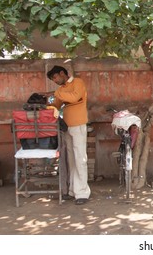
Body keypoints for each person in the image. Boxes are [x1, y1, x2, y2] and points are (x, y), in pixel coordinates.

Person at [42, 65, 91, 205]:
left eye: (56, 77)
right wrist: (45, 103)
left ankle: (82, 193)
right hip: (67, 127)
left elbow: (75, 97)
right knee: (71, 160)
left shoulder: (78, 83)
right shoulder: (60, 90)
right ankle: (72, 191)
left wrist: (54, 94)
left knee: (80, 158)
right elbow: (56, 105)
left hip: (79, 124)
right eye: (53, 79)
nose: (55, 80)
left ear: (62, 73)